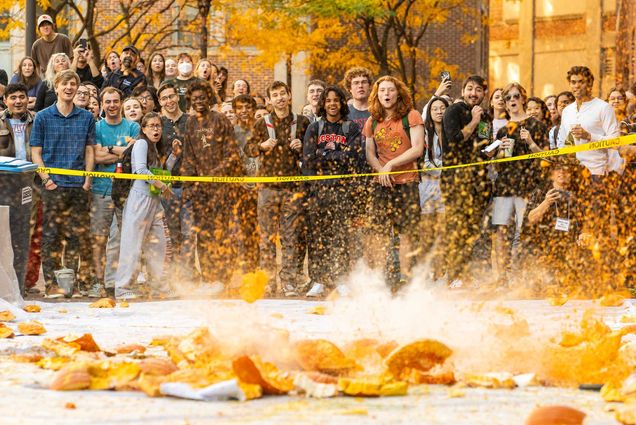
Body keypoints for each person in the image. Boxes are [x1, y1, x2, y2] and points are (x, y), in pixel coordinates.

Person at [30, 70, 95, 298]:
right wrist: (47, 180)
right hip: (53, 186)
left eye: (73, 84)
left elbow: (89, 150)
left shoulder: (86, 117)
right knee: (52, 235)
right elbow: (35, 152)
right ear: (56, 87)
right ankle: (51, 284)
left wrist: (87, 180)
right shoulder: (43, 117)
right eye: (65, 83)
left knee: (77, 236)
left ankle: (72, 284)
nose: (69, 87)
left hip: (78, 186)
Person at [556, 66, 625, 281]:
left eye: (581, 82)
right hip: (572, 177)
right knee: (572, 226)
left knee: (596, 226)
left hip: (597, 175)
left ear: (590, 83)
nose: (577, 86)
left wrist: (589, 136)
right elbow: (561, 142)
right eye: (573, 82)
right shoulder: (567, 111)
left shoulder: (603, 108)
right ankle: (575, 278)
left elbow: (616, 142)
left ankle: (601, 278)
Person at [245, 81, 310, 296]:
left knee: (291, 236)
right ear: (270, 100)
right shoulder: (262, 123)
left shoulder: (302, 122)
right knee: (266, 237)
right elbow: (249, 148)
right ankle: (268, 281)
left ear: (290, 96)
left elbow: (311, 154)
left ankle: (289, 280)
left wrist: (302, 148)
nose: (280, 97)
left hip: (292, 188)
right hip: (267, 188)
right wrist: (261, 147)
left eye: (283, 93)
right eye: (275, 95)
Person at [363, 76, 425, 292]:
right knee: (378, 231)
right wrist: (381, 171)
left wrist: (391, 165)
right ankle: (380, 278)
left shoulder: (412, 116)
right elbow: (370, 152)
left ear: (398, 93)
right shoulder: (372, 120)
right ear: (376, 95)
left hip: (407, 181)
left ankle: (405, 278)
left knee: (406, 231)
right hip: (382, 182)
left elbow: (417, 148)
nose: (386, 94)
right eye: (382, 91)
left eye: (390, 90)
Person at [181, 82, 242, 291]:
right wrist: (188, 183)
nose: (199, 102)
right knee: (203, 234)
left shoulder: (221, 119)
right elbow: (188, 156)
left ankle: (223, 277)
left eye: (202, 97)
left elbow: (232, 154)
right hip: (199, 189)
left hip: (221, 187)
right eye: (194, 98)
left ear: (209, 98)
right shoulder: (189, 123)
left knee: (221, 232)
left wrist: (215, 174)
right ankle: (208, 277)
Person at [302, 86, 362, 296]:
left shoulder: (351, 128)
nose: (332, 104)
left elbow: (352, 158)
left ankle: (340, 279)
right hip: (318, 192)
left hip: (343, 191)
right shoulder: (314, 128)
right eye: (328, 101)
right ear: (322, 104)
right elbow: (309, 159)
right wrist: (336, 154)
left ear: (342, 104)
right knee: (318, 237)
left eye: (336, 100)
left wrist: (324, 154)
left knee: (341, 236)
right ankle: (318, 280)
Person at [490, 82, 549, 284]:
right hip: (505, 187)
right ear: (504, 104)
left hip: (529, 186)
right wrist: (499, 152)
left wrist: (531, 142)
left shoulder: (537, 125)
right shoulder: (503, 130)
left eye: (516, 96)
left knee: (525, 232)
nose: (512, 100)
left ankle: (525, 277)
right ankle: (501, 277)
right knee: (501, 231)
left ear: (523, 98)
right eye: (508, 98)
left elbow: (548, 158)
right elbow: (496, 165)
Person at [114, 112, 173, 299]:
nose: (155, 129)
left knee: (159, 243)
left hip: (154, 200)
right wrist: (162, 185)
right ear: (144, 128)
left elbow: (161, 170)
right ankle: (122, 287)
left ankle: (158, 285)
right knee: (132, 244)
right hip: (139, 198)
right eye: (151, 126)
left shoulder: (157, 147)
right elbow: (140, 170)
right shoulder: (141, 143)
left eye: (158, 126)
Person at [441, 75, 492, 287]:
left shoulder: (485, 116)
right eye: (470, 88)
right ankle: (453, 275)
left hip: (477, 180)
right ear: (463, 91)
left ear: (483, 94)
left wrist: (492, 148)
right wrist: (473, 121)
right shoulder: (454, 111)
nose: (473, 93)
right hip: (455, 180)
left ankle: (467, 274)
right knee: (456, 227)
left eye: (478, 90)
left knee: (472, 229)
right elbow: (454, 139)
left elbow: (482, 147)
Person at [90, 87, 140, 298]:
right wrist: (120, 152)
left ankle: (121, 281)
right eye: (107, 101)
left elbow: (133, 156)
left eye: (115, 101)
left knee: (125, 238)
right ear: (102, 104)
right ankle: (98, 281)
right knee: (99, 239)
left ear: (121, 103)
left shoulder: (133, 126)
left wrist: (108, 149)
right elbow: (97, 158)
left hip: (126, 192)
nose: (112, 105)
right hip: (101, 190)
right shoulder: (97, 127)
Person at [522, 157, 589, 291]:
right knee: (545, 287)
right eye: (558, 169)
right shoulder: (541, 191)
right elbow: (530, 218)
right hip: (543, 245)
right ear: (551, 174)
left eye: (566, 170)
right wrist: (546, 202)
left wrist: (584, 234)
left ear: (571, 174)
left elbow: (584, 220)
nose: (562, 173)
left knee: (574, 286)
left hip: (569, 245)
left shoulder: (577, 193)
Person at [0, 83, 37, 294]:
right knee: (2, 235)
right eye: (13, 97)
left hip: (28, 183)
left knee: (22, 236)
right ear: (5, 100)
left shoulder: (36, 120)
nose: (18, 101)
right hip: (3, 184)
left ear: (27, 99)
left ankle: (19, 287)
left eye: (21, 97)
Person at [157, 83, 194, 282]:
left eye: (171, 96)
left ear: (177, 97)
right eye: (164, 98)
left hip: (189, 186)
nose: (169, 101)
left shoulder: (191, 121)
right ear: (160, 102)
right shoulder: (159, 124)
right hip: (167, 189)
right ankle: (172, 278)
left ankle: (186, 276)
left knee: (189, 234)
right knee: (171, 234)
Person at [419, 96, 449, 280]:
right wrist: (443, 168)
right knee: (426, 233)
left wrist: (438, 166)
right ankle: (426, 273)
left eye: (442, 108)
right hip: (426, 188)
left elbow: (455, 159)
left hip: (445, 189)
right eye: (435, 109)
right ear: (429, 113)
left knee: (442, 232)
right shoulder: (424, 133)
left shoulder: (450, 133)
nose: (439, 111)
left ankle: (441, 271)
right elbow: (423, 163)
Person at [232, 94, 260, 273]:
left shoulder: (261, 129)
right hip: (238, 188)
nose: (244, 111)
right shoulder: (231, 132)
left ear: (253, 110)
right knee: (239, 231)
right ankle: (242, 270)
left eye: (248, 107)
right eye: (240, 108)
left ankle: (257, 269)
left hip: (261, 186)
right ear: (235, 111)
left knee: (258, 231)